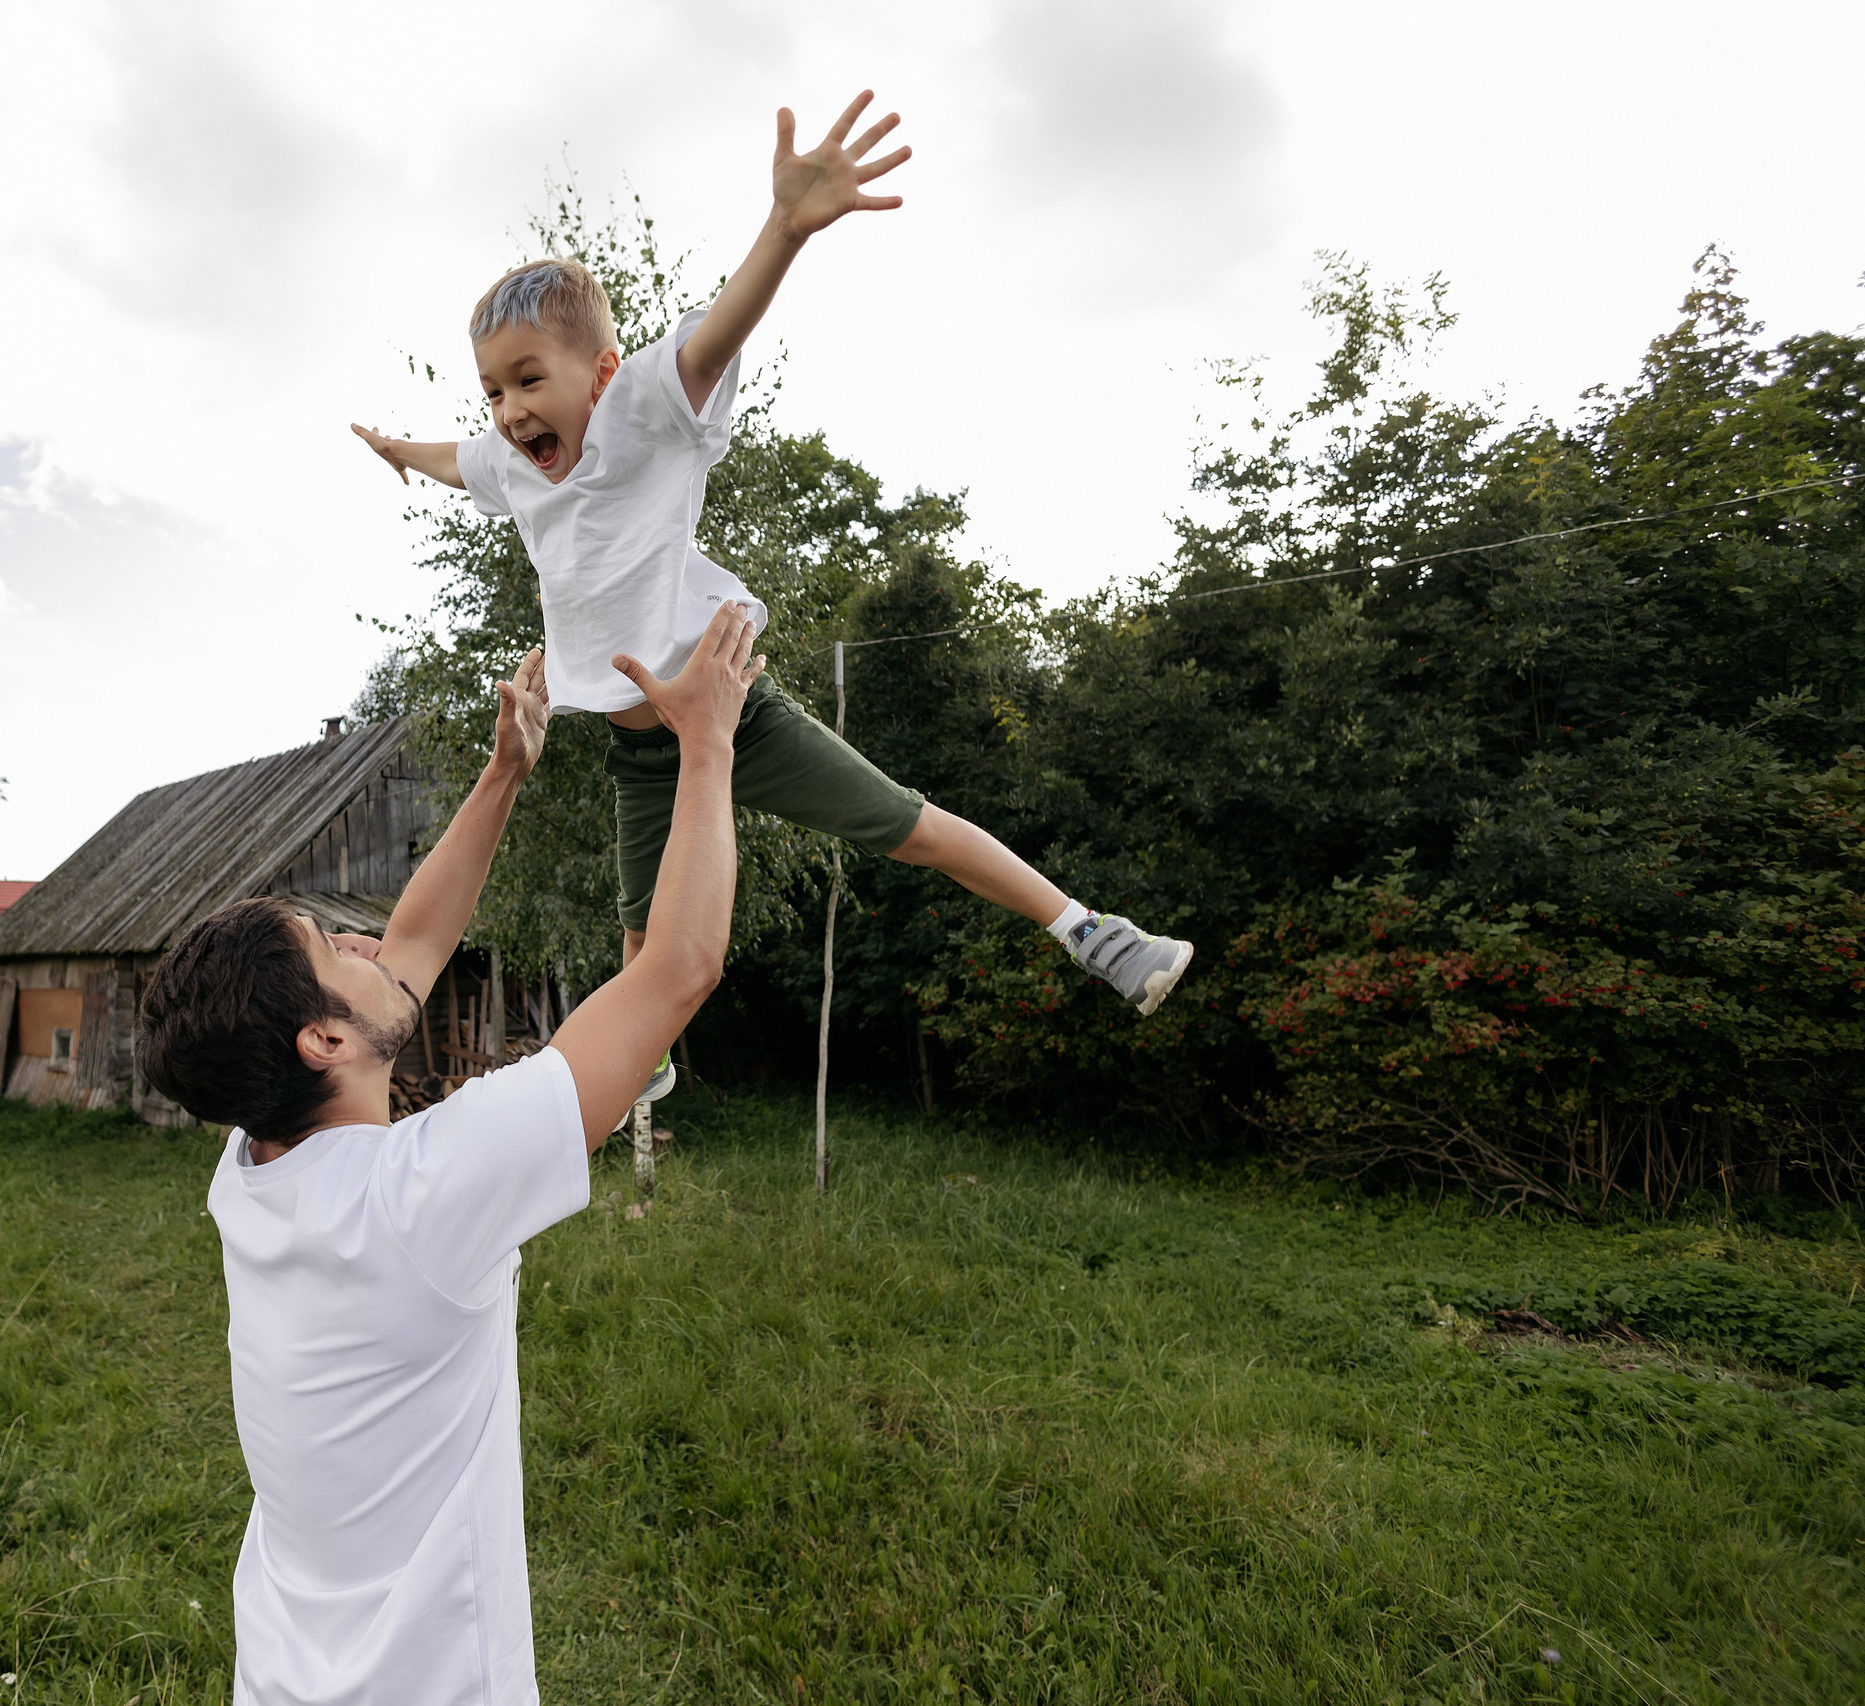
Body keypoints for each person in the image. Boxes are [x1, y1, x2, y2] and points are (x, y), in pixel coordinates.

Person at [351, 93, 1192, 1108]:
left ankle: (1094, 933)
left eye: (529, 380)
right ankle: (645, 1060)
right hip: (641, 750)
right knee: (639, 938)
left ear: (602, 374)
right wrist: (398, 450)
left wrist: (786, 228)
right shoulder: (511, 459)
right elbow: (461, 459)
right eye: (492, 389)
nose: (509, 409)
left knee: (909, 825)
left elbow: (713, 335)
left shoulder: (644, 409)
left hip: (728, 713)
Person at [138, 603, 764, 1706]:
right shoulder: (418, 1197)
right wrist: (708, 740)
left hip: (283, 1677)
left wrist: (504, 772)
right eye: (332, 948)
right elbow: (678, 969)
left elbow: (414, 945)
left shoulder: (250, 1165)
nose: (364, 939)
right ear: (322, 1042)